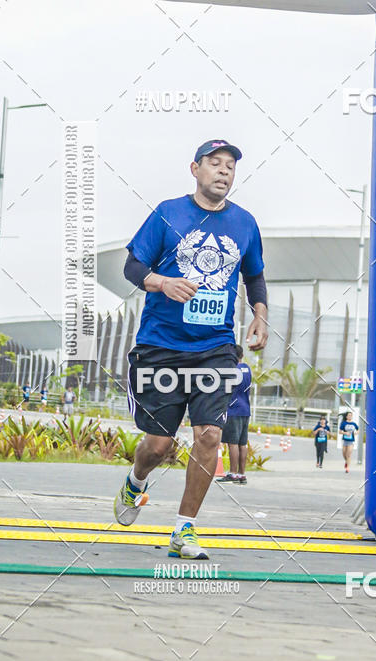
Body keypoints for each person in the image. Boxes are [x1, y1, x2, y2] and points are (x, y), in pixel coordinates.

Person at [114, 139, 268, 560]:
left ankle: (185, 530)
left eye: (230, 167)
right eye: (215, 164)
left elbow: (254, 276)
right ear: (195, 169)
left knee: (210, 434)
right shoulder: (169, 213)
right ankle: (136, 480)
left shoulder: (245, 223)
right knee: (157, 447)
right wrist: (162, 283)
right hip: (161, 347)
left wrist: (259, 313)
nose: (223, 171)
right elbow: (131, 266)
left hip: (215, 348)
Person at [217, 345, 252, 485]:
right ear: (242, 355)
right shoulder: (247, 368)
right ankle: (241, 474)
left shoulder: (232, 370)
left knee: (232, 443)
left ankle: (232, 473)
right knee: (242, 444)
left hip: (234, 409)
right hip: (245, 409)